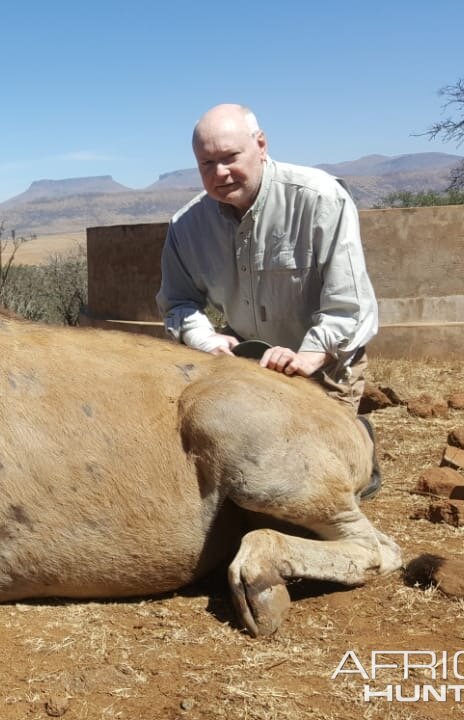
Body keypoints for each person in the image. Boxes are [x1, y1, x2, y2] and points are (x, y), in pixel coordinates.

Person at [156, 103, 381, 497]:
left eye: (229, 157)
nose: (219, 173)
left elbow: (349, 304)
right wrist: (205, 339)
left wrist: (310, 355)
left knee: (321, 487)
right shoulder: (187, 225)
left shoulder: (320, 199)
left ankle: (358, 439)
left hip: (325, 362)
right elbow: (177, 303)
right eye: (206, 163)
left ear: (260, 145)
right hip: (249, 359)